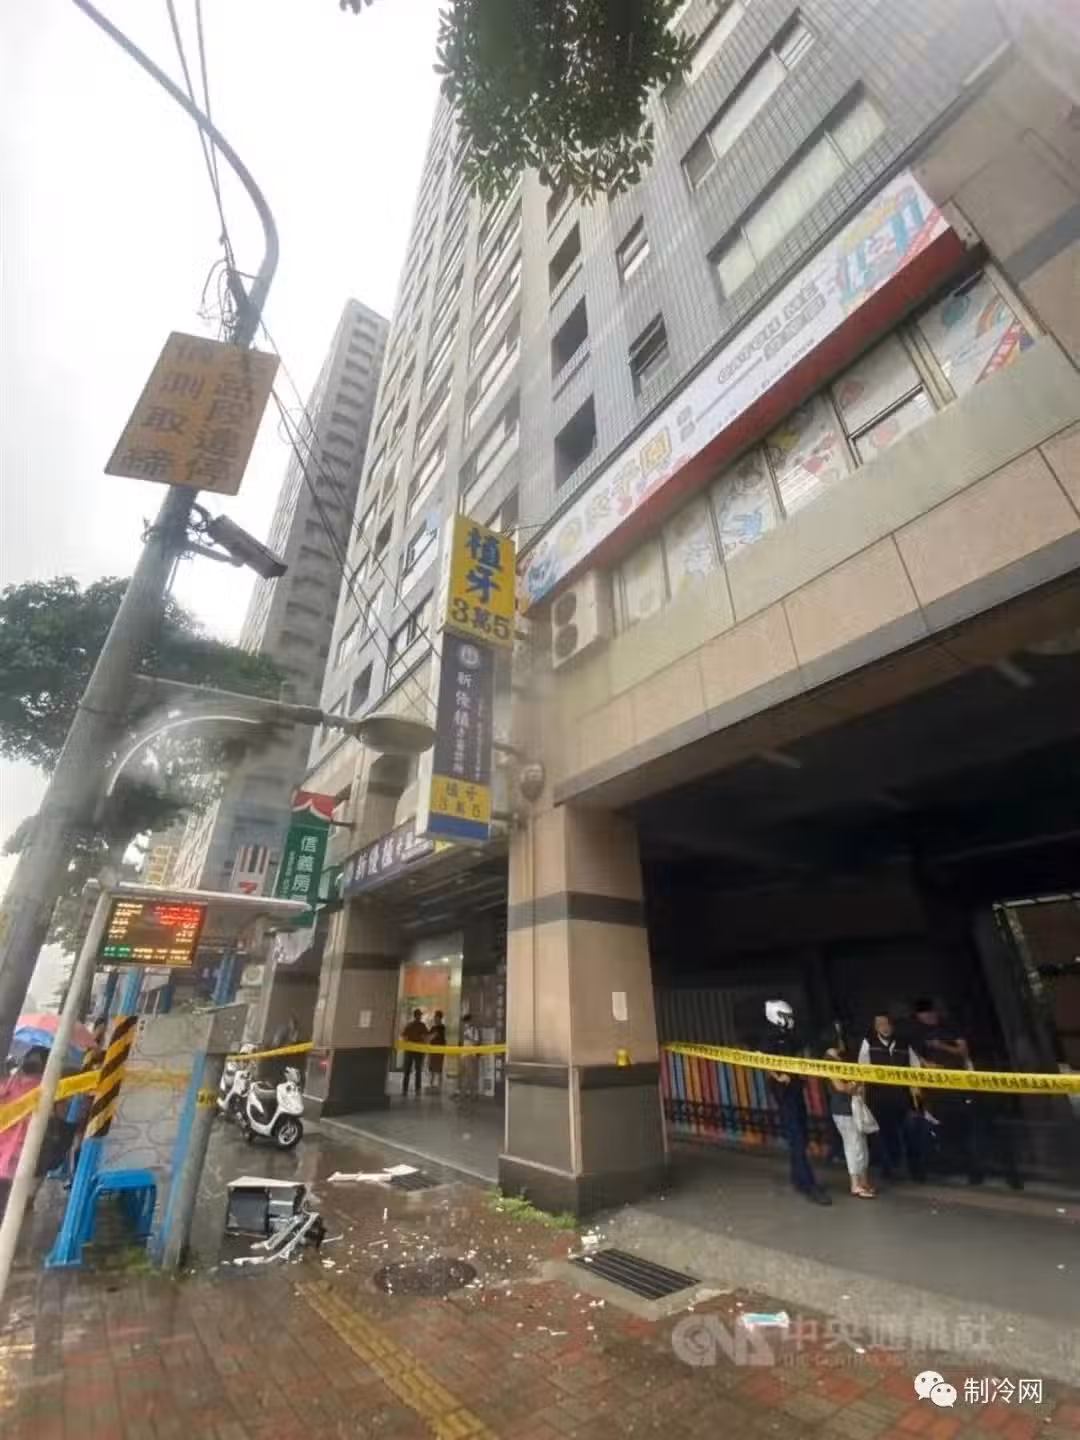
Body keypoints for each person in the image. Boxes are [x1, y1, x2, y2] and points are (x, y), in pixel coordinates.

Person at [759, 999, 831, 1206]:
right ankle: (808, 1185)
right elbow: (762, 1060)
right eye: (786, 1016)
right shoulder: (770, 1037)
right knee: (797, 1137)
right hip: (784, 1093)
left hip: (796, 1089)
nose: (790, 1019)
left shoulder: (788, 1036)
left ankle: (798, 1178)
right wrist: (778, 1076)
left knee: (801, 1136)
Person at [909, 999, 984, 1185]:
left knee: (967, 1128)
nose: (927, 1017)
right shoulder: (917, 1033)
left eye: (929, 1013)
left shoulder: (950, 1027)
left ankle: (975, 1170)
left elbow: (963, 1051)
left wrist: (941, 1046)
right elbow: (915, 1057)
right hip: (935, 1090)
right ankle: (947, 1166)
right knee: (941, 1128)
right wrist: (926, 1065)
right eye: (923, 1015)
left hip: (958, 1086)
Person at [858, 1012, 926, 1182]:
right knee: (886, 1136)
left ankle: (916, 1171)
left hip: (903, 1098)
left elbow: (915, 1067)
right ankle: (889, 1170)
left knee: (911, 1134)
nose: (884, 1027)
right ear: (875, 1028)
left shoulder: (903, 1044)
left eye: (886, 1024)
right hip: (880, 1098)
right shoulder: (869, 1044)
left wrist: (916, 1089)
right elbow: (862, 1070)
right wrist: (863, 1098)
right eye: (880, 1024)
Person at [822, 1020, 875, 1199]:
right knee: (853, 1145)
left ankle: (864, 1181)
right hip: (842, 1108)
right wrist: (855, 1084)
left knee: (862, 1145)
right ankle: (856, 1183)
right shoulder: (828, 1061)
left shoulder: (842, 1058)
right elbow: (840, 1086)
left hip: (853, 1105)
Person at [0, 1049, 47, 1220]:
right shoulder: (14, 1081)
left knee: (7, 1179)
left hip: (17, 1140)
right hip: (9, 1137)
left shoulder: (41, 1086)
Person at [400, 1009, 428, 1097]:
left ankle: (405, 1089)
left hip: (409, 1051)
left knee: (407, 1070)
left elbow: (404, 1037)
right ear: (417, 1016)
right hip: (418, 1051)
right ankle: (417, 1089)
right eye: (420, 1015)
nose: (420, 1016)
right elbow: (425, 1038)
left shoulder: (409, 1025)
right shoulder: (422, 1025)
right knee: (418, 1070)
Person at [457, 1013, 480, 1102]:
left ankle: (473, 1096)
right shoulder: (464, 1031)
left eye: (467, 1022)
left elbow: (476, 1043)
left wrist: (469, 1038)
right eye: (464, 1022)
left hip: (470, 1055)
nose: (466, 1024)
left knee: (471, 1076)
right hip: (463, 1055)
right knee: (463, 1076)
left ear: (470, 1021)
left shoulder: (474, 1031)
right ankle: (462, 1095)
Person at [427, 1010, 447, 1093]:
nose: (435, 1019)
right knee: (431, 1068)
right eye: (435, 1017)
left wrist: (431, 1037)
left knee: (439, 1069)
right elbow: (429, 1037)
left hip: (439, 1050)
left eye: (437, 1017)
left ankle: (439, 1085)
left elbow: (435, 1036)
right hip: (432, 1050)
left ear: (440, 1018)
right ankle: (431, 1084)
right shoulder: (433, 1028)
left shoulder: (442, 1028)